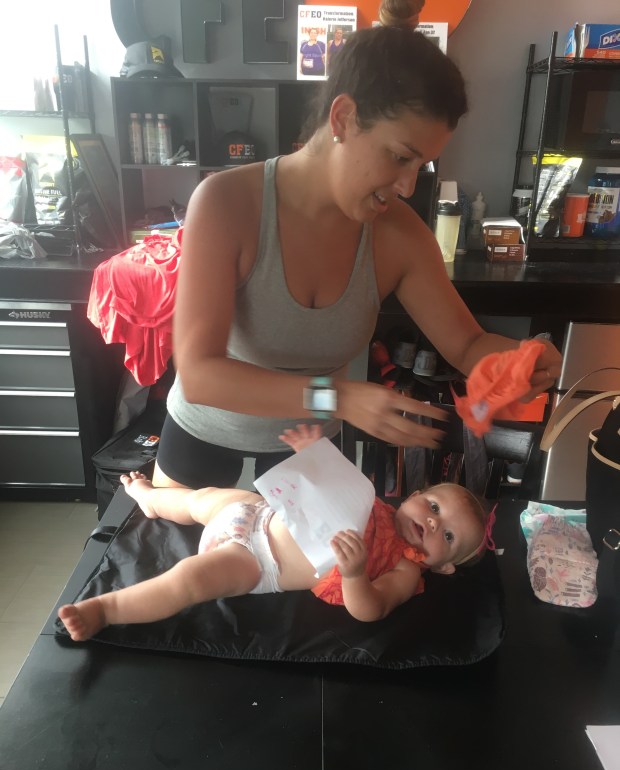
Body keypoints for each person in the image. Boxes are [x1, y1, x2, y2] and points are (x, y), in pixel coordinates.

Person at [155, 24, 562, 492]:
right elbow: (200, 374)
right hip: (203, 436)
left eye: (421, 165)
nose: (408, 186)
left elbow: (468, 346)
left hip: (306, 447)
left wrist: (521, 359)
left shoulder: (400, 235)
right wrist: (339, 397)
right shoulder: (227, 203)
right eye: (400, 156)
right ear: (344, 118)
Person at [58, 424, 493, 642]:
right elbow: (324, 483)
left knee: (189, 580)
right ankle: (152, 499)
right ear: (415, 496)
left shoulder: (406, 569)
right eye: (434, 507)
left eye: (448, 536)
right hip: (257, 511)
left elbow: (371, 610)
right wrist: (313, 456)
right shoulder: (371, 497)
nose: (433, 523)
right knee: (199, 500)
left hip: (257, 561)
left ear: (445, 566)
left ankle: (107, 610)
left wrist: (355, 574)